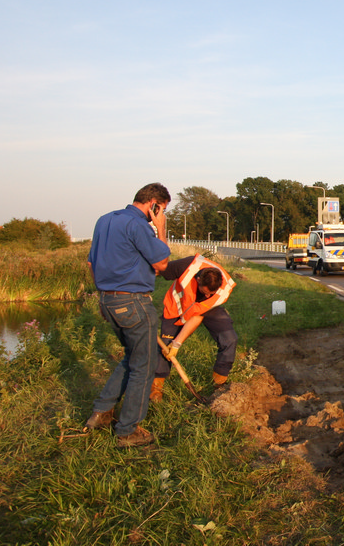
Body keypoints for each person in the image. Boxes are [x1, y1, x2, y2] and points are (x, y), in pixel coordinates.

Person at [84, 183, 171, 448]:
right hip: (133, 302)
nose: (160, 215)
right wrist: (161, 229)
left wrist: (104, 296)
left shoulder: (104, 221)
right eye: (162, 209)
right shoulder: (139, 225)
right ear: (154, 204)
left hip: (108, 299)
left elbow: (91, 263)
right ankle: (127, 430)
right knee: (143, 367)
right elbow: (162, 264)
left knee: (132, 357)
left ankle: (101, 413)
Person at [150, 254, 237, 401]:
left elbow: (197, 316)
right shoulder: (186, 266)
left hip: (206, 309)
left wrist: (177, 343)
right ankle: (156, 389)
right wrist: (139, 289)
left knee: (230, 339)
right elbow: (157, 269)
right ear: (198, 280)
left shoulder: (223, 290)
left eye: (211, 293)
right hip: (176, 307)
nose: (208, 295)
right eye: (205, 292)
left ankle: (219, 383)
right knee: (165, 346)